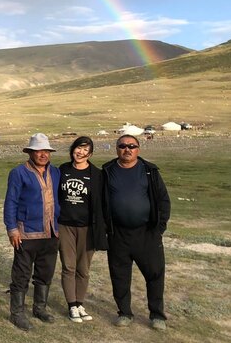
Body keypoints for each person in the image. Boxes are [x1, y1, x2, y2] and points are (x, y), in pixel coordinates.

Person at [103, 134, 171, 330]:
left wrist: (159, 229)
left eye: (131, 146)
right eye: (123, 146)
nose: (127, 149)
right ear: (117, 149)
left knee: (155, 274)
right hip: (118, 235)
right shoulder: (107, 171)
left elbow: (163, 200)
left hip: (146, 233)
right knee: (119, 275)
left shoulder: (149, 171)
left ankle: (157, 315)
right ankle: (124, 313)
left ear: (138, 149)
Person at [4, 133, 60, 331]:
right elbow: (11, 201)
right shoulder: (18, 173)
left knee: (45, 273)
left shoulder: (55, 172)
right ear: (30, 152)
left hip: (52, 232)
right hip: (26, 233)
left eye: (46, 151)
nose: (42, 154)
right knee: (21, 275)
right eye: (38, 151)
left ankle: (39, 308)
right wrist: (12, 229)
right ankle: (17, 313)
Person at [57, 136, 107, 323]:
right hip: (65, 226)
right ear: (73, 149)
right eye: (78, 148)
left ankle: (80, 304)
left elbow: (102, 203)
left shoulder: (97, 174)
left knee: (83, 269)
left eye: (86, 150)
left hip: (88, 228)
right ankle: (71, 306)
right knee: (68, 266)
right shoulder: (63, 170)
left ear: (90, 154)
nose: (81, 153)